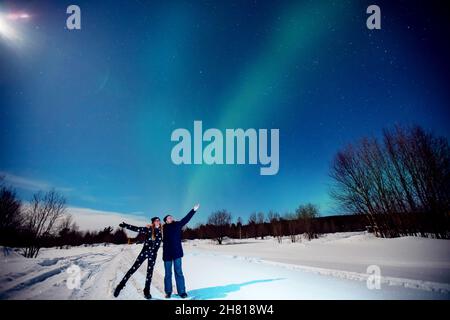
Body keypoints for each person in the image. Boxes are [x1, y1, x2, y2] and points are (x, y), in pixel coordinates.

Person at [113, 217, 162, 299]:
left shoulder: (162, 231)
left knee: (149, 274)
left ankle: (146, 291)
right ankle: (120, 286)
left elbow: (172, 226)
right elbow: (137, 229)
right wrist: (126, 226)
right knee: (133, 268)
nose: (158, 221)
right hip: (144, 252)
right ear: (153, 222)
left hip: (153, 255)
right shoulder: (148, 229)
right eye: (156, 220)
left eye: (158, 220)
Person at [162, 203, 200, 298]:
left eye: (171, 217)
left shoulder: (177, 224)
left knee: (178, 272)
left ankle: (182, 291)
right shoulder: (162, 228)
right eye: (169, 217)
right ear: (166, 221)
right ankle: (168, 291)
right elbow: (153, 229)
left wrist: (193, 210)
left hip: (177, 252)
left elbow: (186, 219)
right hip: (167, 254)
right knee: (167, 273)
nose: (171, 218)